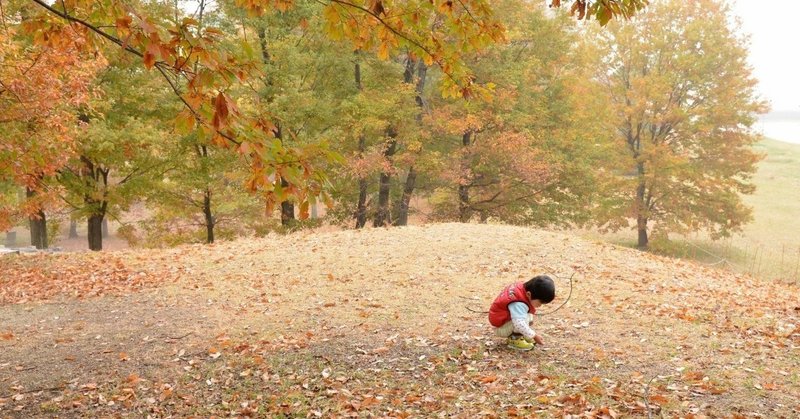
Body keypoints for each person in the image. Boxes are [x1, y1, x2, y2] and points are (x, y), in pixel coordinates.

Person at [488, 275, 555, 351]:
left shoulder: (522, 288)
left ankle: (522, 335)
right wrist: (534, 336)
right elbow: (519, 323)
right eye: (540, 302)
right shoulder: (518, 303)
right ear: (529, 294)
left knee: (527, 316)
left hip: (504, 321)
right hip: (500, 328)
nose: (540, 305)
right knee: (523, 319)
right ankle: (515, 339)